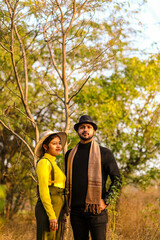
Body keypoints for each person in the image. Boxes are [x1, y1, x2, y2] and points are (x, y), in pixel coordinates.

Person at [65, 115, 121, 240]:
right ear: (77, 131)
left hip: (97, 211)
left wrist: (106, 201)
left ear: (93, 131)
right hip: (76, 212)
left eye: (89, 127)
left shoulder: (104, 153)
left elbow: (117, 179)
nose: (85, 130)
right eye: (82, 127)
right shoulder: (69, 154)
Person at [34, 130, 67, 240]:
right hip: (48, 209)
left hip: (57, 207)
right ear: (45, 146)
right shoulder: (44, 162)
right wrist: (51, 215)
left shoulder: (54, 164)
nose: (58, 146)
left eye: (59, 143)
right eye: (54, 143)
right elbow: (43, 190)